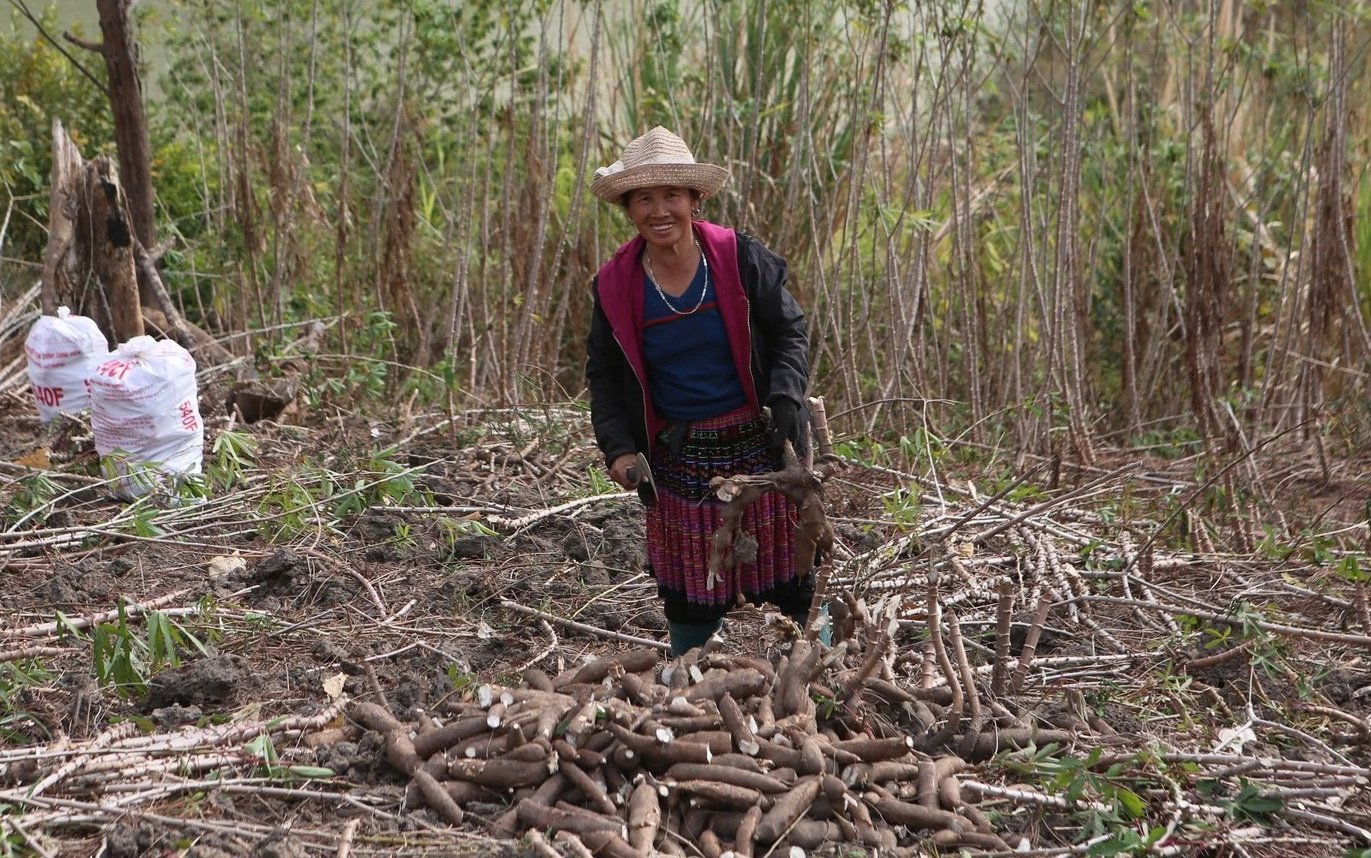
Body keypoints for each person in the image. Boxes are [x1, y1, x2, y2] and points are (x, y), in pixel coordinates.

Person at [585, 126, 813, 656]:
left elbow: (789, 330)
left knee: (791, 584)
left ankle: (811, 674)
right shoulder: (616, 285)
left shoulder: (738, 258)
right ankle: (687, 682)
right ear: (628, 209)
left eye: (671, 195)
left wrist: (785, 393)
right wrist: (618, 449)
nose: (659, 210)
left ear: (694, 200)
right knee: (691, 598)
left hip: (762, 444)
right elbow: (603, 375)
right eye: (644, 198)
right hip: (681, 458)